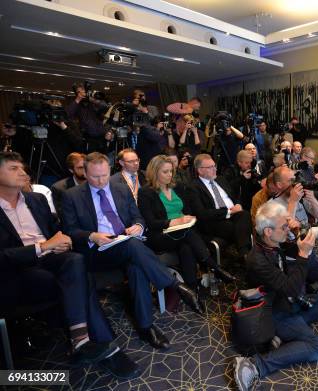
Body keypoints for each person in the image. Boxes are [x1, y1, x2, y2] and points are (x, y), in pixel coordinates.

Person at [0, 151, 139, 378]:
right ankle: (100, 347)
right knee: (78, 279)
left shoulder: (36, 200)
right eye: (13, 168)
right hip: (16, 272)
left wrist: (61, 241)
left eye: (22, 167)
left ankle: (82, 341)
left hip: (52, 260)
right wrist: (42, 247)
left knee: (76, 261)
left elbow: (57, 229)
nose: (23, 172)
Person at [61, 152, 201, 350]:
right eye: (94, 176)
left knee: (137, 266)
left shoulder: (120, 189)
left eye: (104, 175)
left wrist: (137, 226)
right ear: (85, 172)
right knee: (133, 247)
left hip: (126, 245)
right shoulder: (72, 196)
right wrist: (92, 236)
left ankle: (146, 327)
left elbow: (138, 218)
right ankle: (174, 285)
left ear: (110, 170)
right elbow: (70, 230)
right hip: (97, 251)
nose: (101, 181)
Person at [233, 202, 318, 391]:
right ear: (268, 231)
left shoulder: (274, 244)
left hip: (286, 300)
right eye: (283, 226)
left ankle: (281, 337)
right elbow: (292, 288)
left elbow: (313, 268)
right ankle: (255, 365)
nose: (287, 229)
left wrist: (298, 234)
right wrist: (302, 254)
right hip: (273, 311)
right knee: (316, 347)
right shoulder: (257, 260)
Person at [138, 155, 236, 299]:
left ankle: (192, 289)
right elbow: (151, 223)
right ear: (154, 172)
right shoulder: (146, 192)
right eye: (165, 172)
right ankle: (215, 268)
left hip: (182, 231)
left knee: (187, 247)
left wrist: (188, 218)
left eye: (171, 171)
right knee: (188, 235)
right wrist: (175, 222)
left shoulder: (176, 186)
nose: (169, 175)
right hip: (160, 234)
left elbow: (188, 209)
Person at [187, 153, 252, 261]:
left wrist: (238, 204)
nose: (214, 169)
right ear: (200, 170)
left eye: (214, 166)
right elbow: (202, 214)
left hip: (234, 214)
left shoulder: (221, 179)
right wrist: (228, 211)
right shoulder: (193, 187)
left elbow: (233, 197)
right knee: (239, 228)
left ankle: (244, 254)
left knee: (245, 214)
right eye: (210, 167)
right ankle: (246, 255)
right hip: (214, 221)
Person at [66, 82, 107, 153]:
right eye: (79, 92)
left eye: (83, 91)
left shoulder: (93, 102)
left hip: (102, 137)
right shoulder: (77, 105)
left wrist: (93, 100)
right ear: (76, 93)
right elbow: (68, 114)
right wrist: (78, 99)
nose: (82, 94)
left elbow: (104, 106)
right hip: (88, 138)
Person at [51, 152, 87, 218]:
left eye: (86, 167)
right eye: (80, 168)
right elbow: (63, 215)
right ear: (71, 170)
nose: (84, 170)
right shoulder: (59, 189)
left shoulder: (95, 183)